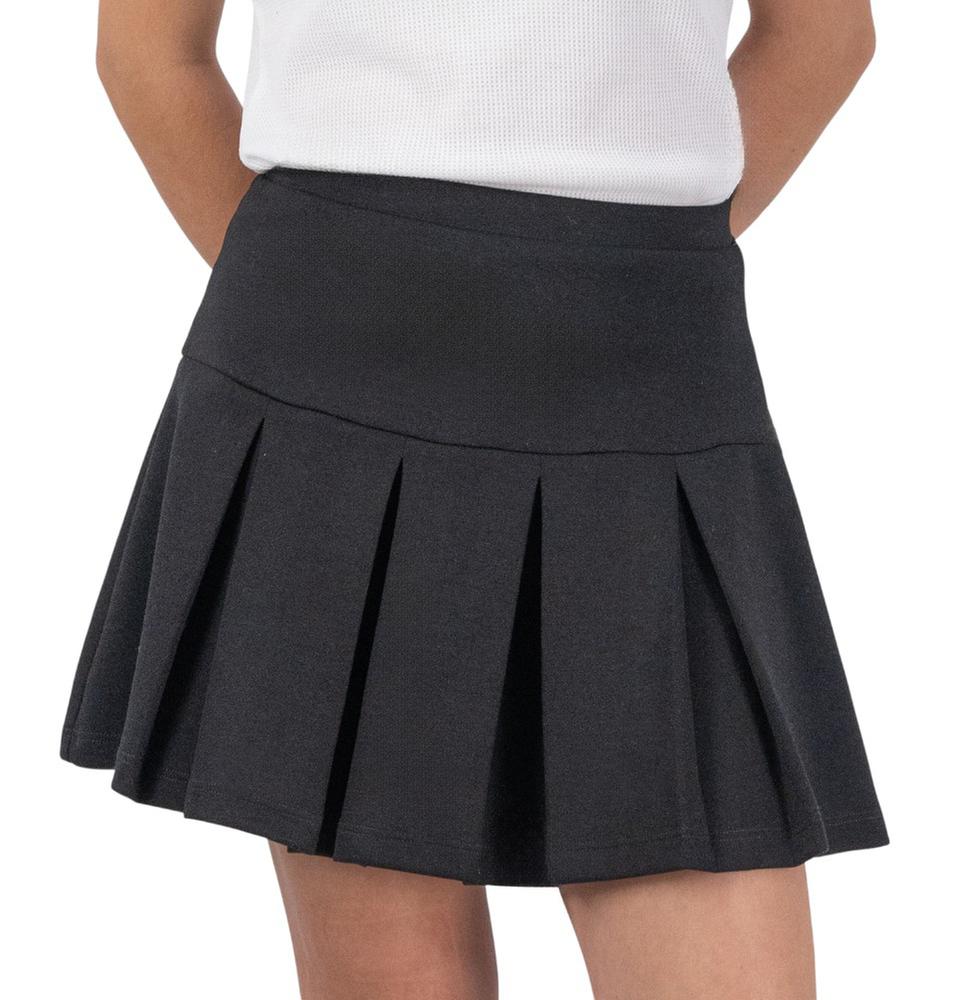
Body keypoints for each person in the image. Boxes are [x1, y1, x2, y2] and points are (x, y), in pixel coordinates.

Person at [61, 1, 888, 997]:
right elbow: (148, 52)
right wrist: (324, 298)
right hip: (334, 364)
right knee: (394, 971)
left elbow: (822, 36)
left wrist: (616, 262)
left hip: (644, 364)